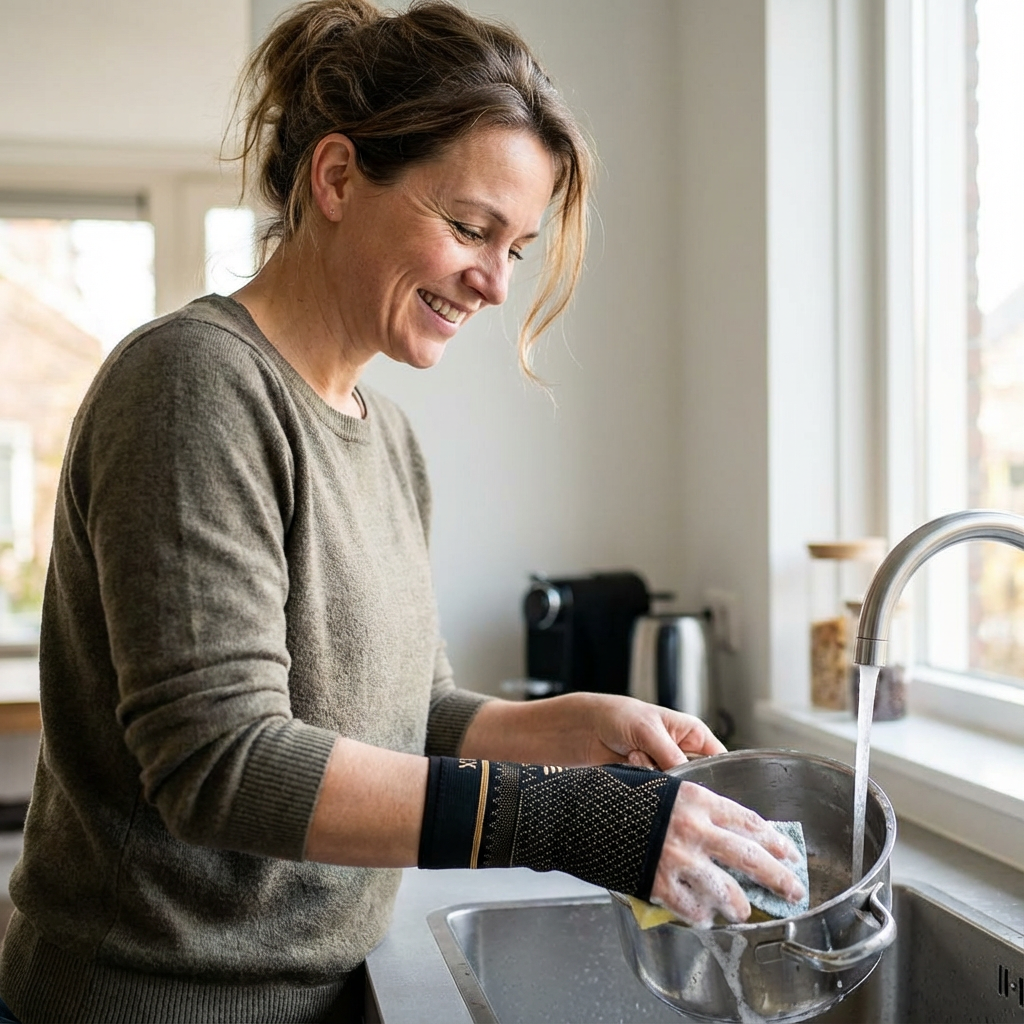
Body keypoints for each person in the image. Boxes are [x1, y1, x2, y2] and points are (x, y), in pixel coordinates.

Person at [0, 2, 805, 1021]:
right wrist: (570, 820)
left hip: (312, 989)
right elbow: (221, 765)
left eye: (515, 248)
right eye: (471, 228)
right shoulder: (193, 384)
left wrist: (565, 730)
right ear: (336, 178)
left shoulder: (386, 439)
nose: (493, 282)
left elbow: (408, 717)